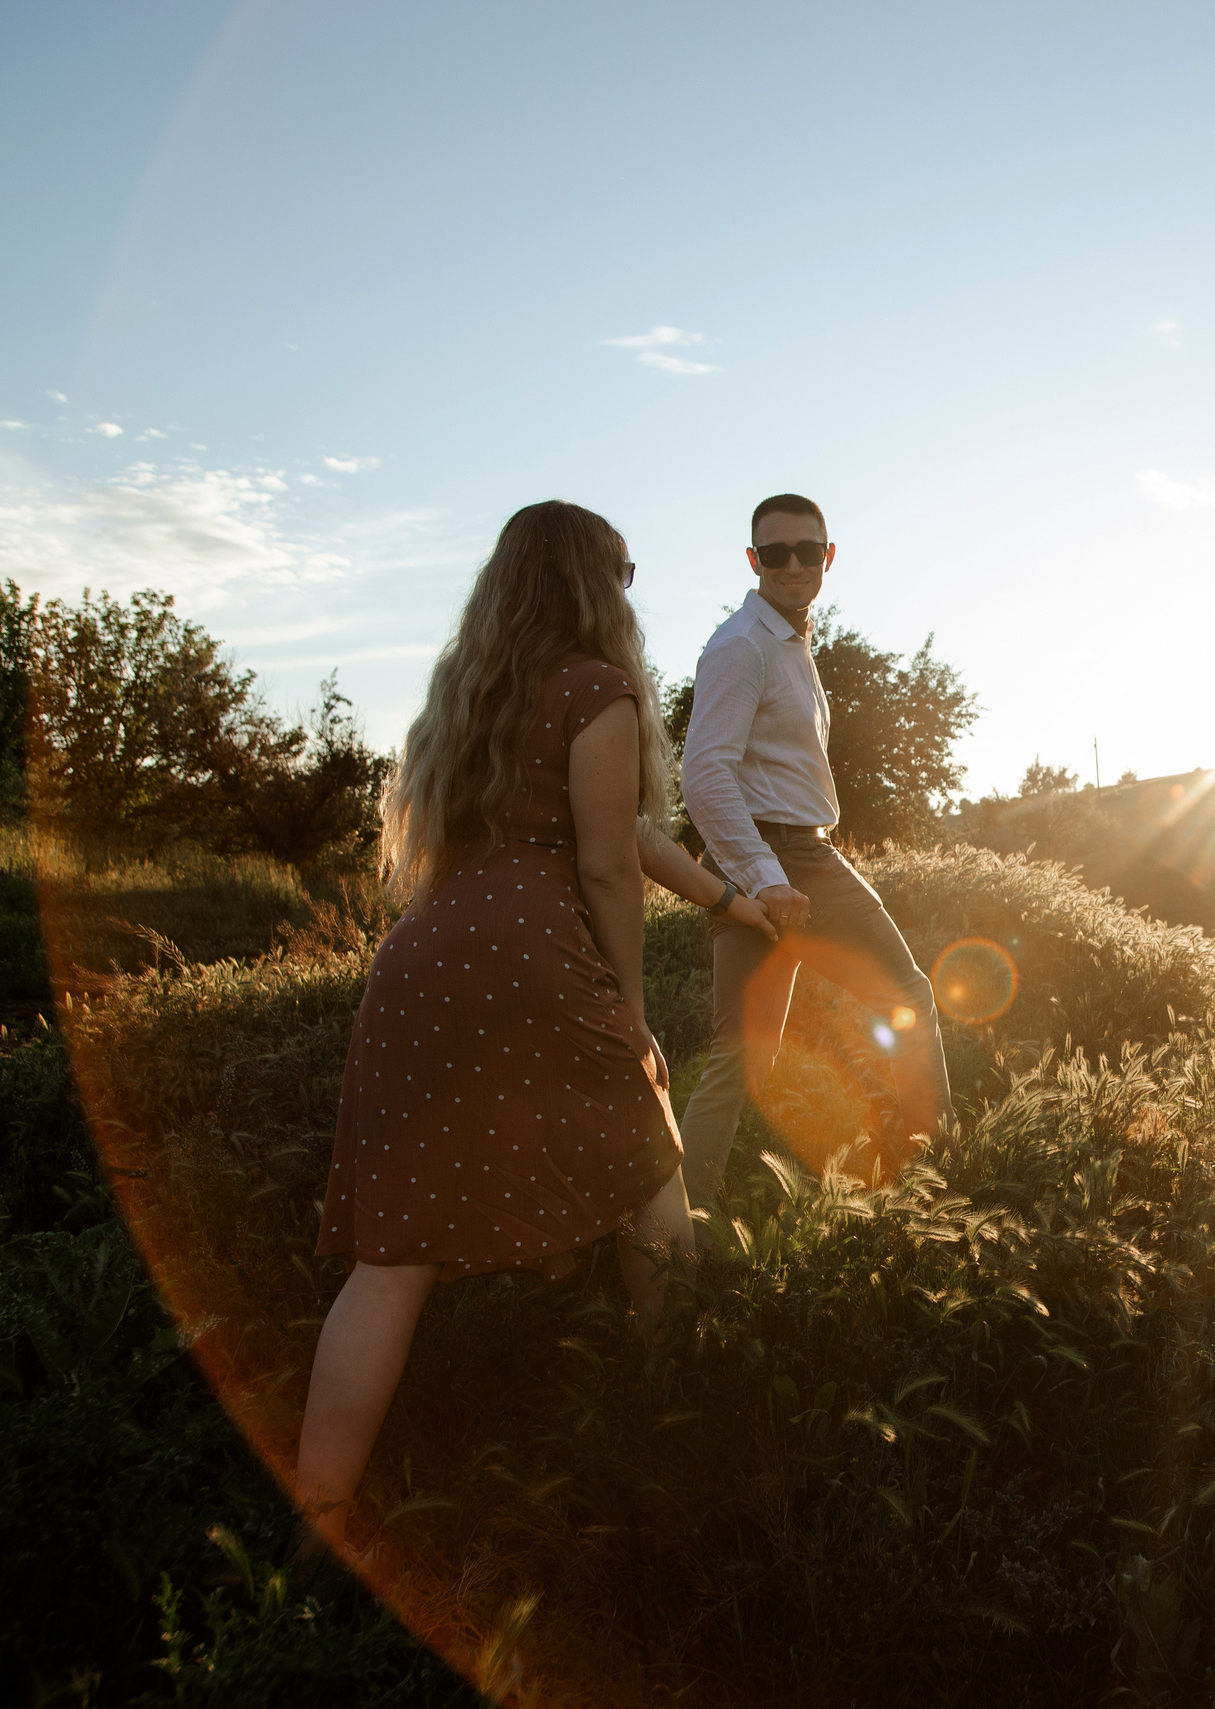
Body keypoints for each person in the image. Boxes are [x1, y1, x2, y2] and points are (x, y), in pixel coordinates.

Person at [292, 499, 776, 1557]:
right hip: (530, 958)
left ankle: (312, 1525)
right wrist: (632, 1014)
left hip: (417, 967)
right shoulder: (599, 687)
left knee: (392, 1256)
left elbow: (628, 833)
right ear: (594, 583)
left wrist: (725, 897)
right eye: (626, 571)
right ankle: (672, 1419)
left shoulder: (473, 691)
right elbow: (604, 865)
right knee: (652, 1165)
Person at [675, 492, 952, 1224]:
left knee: (744, 1052)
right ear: (753, 560)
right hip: (785, 858)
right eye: (776, 552)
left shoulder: (789, 642)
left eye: (807, 550)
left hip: (768, 857)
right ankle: (941, 1184)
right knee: (907, 996)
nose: (793, 564)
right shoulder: (744, 645)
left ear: (829, 556)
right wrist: (768, 877)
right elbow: (704, 774)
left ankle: (677, 1232)